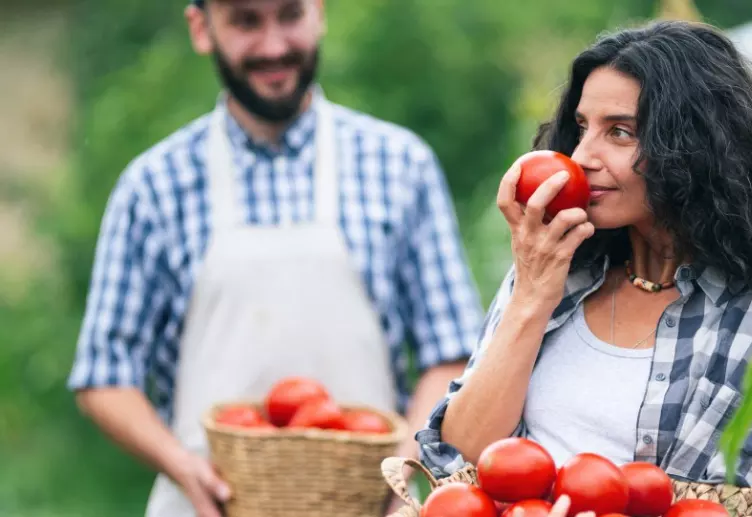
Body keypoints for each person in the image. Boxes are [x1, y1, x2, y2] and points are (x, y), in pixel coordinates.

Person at [66, 1, 484, 516]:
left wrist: (399, 466)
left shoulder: (400, 166)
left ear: (320, 13)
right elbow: (105, 376)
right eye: (246, 21)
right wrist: (181, 466)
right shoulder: (153, 186)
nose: (273, 45)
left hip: (370, 505)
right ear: (201, 28)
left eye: (290, 15)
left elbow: (451, 349)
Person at [416, 20, 752, 490]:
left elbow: (707, 504)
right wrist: (531, 295)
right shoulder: (557, 270)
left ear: (695, 149)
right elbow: (462, 455)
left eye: (620, 133)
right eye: (583, 128)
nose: (582, 156)